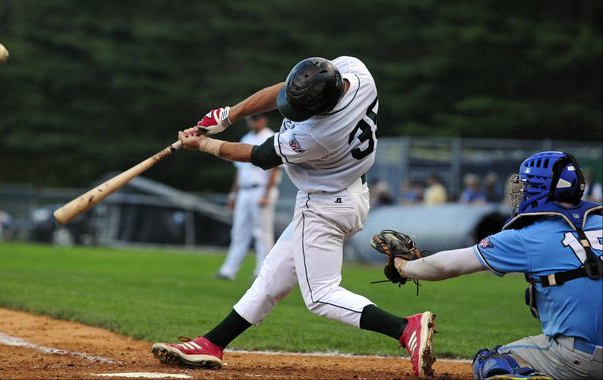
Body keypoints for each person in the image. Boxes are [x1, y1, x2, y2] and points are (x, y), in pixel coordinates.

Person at [152, 56, 436, 377]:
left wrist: (205, 144)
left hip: (323, 207)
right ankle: (212, 343)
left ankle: (404, 328)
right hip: (349, 194)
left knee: (320, 296)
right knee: (271, 280)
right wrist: (228, 115)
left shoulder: (319, 135)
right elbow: (284, 92)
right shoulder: (357, 73)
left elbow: (259, 155)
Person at [387, 151, 602, 379]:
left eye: (527, 185)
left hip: (578, 358)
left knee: (492, 361)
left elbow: (449, 265)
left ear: (541, 188)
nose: (522, 191)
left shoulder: (526, 237)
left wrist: (403, 267)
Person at [217, 114, 279, 280]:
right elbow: (240, 171)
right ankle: (228, 270)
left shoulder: (271, 137)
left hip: (261, 190)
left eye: (255, 119)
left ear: (263, 119)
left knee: (262, 233)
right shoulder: (245, 138)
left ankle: (263, 271)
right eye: (250, 119)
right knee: (238, 231)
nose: (252, 122)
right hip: (244, 191)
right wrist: (233, 195)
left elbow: (275, 169)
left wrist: (266, 194)